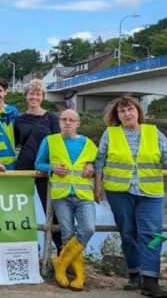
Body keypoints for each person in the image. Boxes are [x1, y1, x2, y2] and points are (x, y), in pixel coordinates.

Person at [94, 95, 167, 298]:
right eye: (122, 111)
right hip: (119, 192)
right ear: (117, 115)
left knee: (151, 236)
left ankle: (150, 283)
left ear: (138, 111)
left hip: (149, 193)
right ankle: (134, 275)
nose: (127, 114)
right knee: (128, 234)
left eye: (130, 109)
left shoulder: (153, 132)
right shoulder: (111, 134)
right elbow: (99, 161)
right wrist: (97, 186)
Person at [35, 109, 97, 291]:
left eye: (71, 120)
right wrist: (51, 167)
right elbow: (38, 164)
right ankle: (78, 277)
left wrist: (92, 165)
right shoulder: (50, 141)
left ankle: (60, 262)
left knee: (88, 228)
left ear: (78, 123)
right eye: (64, 119)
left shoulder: (88, 143)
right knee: (67, 234)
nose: (67, 123)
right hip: (61, 196)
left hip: (83, 195)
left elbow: (99, 163)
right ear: (59, 122)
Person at [14, 79, 62, 253]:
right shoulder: (18, 120)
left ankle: (61, 250)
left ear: (43, 96)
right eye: (31, 93)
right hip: (23, 168)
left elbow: (58, 143)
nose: (34, 97)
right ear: (26, 95)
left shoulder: (52, 118)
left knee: (51, 210)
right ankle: (28, 248)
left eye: (38, 94)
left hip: (45, 170)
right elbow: (15, 143)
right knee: (21, 209)